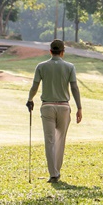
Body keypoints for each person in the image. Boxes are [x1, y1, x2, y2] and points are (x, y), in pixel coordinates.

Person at [26, 39, 83, 183]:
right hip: (64, 107)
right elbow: (75, 88)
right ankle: (57, 171)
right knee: (60, 140)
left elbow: (35, 86)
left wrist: (30, 99)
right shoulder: (70, 67)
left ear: (51, 51)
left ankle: (53, 173)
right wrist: (79, 108)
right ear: (63, 52)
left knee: (50, 140)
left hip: (47, 107)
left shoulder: (41, 66)